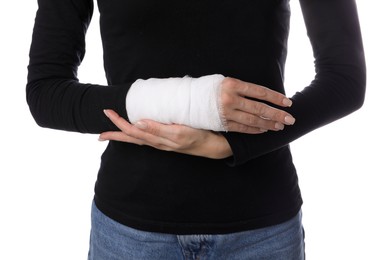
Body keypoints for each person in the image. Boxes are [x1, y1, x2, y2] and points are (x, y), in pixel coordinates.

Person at [26, 0, 366, 259]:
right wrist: (195, 101)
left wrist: (229, 145)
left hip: (261, 229)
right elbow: (46, 93)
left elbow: (344, 80)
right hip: (132, 232)